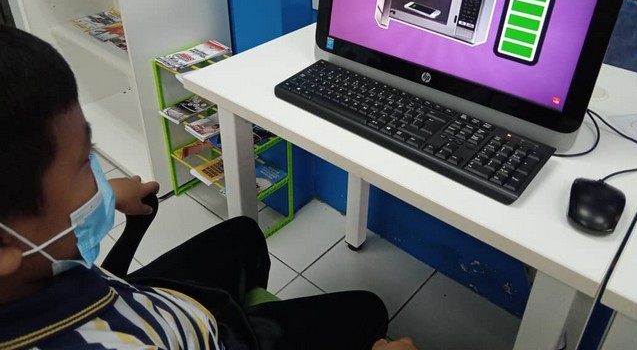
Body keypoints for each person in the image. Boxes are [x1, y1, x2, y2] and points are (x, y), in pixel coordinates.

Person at [0, 24, 416, 350]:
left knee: (243, 234)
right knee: (367, 310)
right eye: (82, 165)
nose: (97, 176)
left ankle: (249, 312)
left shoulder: (28, 276)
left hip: (142, 303)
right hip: (204, 337)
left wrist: (104, 193)